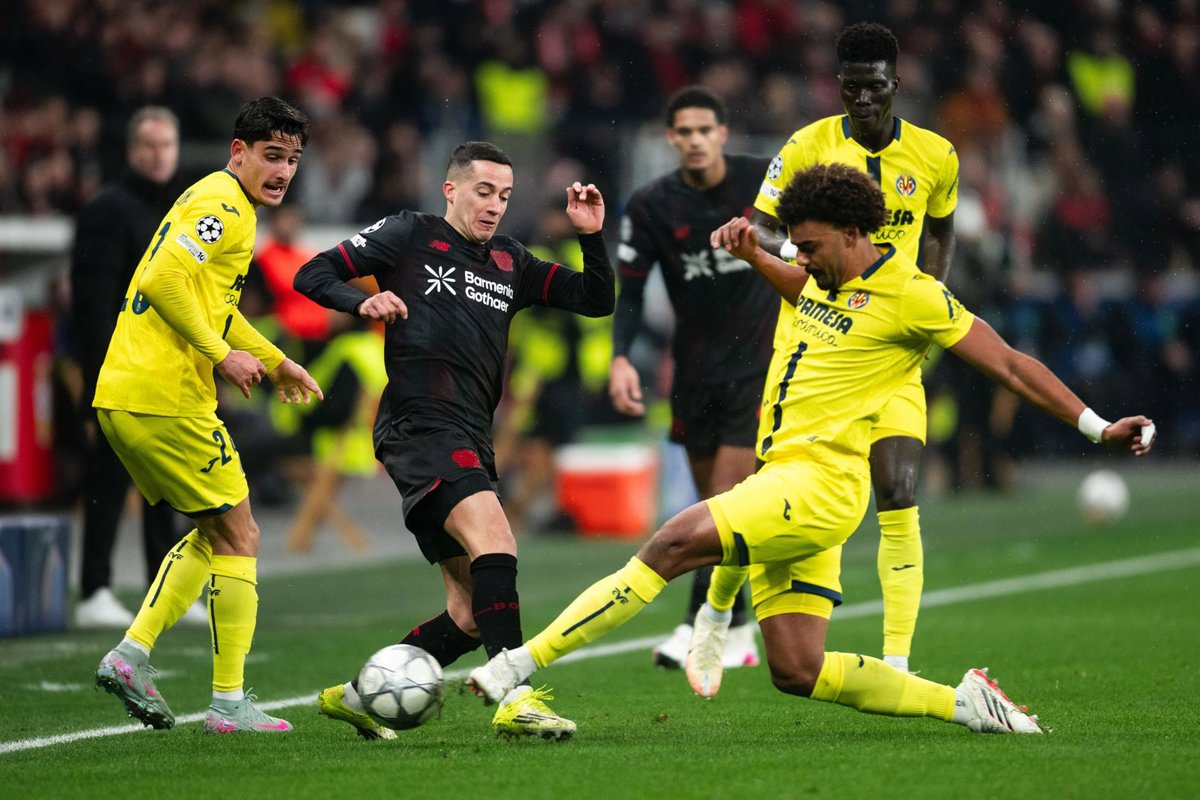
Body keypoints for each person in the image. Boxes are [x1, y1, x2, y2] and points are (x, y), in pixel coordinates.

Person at [466, 162, 1156, 736]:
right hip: (792, 485)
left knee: (671, 544)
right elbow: (802, 286)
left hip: (818, 486)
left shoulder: (913, 297)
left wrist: (1097, 427)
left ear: (854, 234)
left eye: (811, 245)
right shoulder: (824, 281)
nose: (801, 257)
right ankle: (964, 703)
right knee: (797, 669)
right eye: (794, 245)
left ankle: (518, 664)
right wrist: (756, 256)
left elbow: (1008, 364)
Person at [294, 141, 614, 741]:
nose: (494, 206)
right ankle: (515, 697)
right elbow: (311, 273)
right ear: (452, 189)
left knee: (468, 615)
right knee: (497, 539)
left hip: (470, 436)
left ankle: (357, 696)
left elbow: (598, 300)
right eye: (484, 192)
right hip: (420, 426)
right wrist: (362, 300)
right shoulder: (409, 233)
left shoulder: (512, 261)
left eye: (505, 196)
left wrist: (590, 237)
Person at [736, 22, 961, 674]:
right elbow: (758, 225)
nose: (863, 98)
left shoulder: (936, 155)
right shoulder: (806, 145)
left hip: (890, 349)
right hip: (818, 345)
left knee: (898, 487)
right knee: (774, 484)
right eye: (852, 87)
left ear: (897, 84)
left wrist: (928, 298)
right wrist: (798, 251)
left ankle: (897, 661)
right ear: (838, 84)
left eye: (875, 87)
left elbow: (940, 230)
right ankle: (718, 616)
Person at [93, 97, 322, 735]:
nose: (283, 171)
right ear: (237, 152)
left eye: (292, 160)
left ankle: (132, 654)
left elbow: (212, 303)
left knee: (215, 530)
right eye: (272, 156)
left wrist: (275, 360)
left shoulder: (221, 201)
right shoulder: (223, 206)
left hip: (131, 393)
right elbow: (163, 282)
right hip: (163, 395)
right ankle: (227, 704)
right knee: (242, 534)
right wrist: (222, 356)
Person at [609, 86, 774, 670]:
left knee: (724, 505)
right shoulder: (652, 205)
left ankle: (694, 626)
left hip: (760, 367)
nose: (696, 140)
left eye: (706, 130)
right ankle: (741, 630)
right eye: (685, 132)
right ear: (671, 138)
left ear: (723, 134)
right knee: (714, 508)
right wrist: (621, 357)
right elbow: (631, 290)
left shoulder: (764, 181)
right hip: (696, 372)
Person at [69, 106, 203, 629]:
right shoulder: (107, 210)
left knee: (165, 485)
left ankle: (161, 592)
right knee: (107, 481)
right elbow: (92, 305)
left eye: (166, 144)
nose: (158, 154)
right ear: (131, 150)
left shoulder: (179, 210)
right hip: (120, 369)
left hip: (166, 369)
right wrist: (100, 377)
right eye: (149, 145)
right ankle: (95, 590)